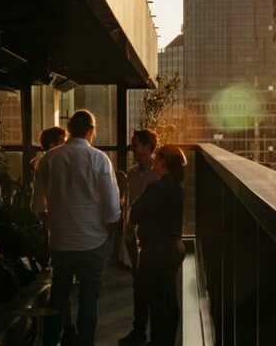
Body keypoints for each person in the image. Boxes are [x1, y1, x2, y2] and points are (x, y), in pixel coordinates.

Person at [32, 110, 120, 346]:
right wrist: (108, 235)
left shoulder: (48, 159)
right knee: (88, 298)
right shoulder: (99, 159)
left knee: (58, 296)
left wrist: (50, 224)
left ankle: (50, 342)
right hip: (93, 241)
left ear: (68, 129)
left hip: (60, 242)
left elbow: (37, 204)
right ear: (91, 131)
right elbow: (112, 209)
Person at [129, 145, 187, 346]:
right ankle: (167, 340)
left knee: (156, 301)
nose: (153, 160)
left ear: (163, 162)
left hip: (156, 251)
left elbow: (135, 212)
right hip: (172, 247)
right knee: (168, 299)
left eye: (157, 157)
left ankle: (157, 341)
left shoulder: (157, 188)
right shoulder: (176, 188)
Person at [117, 129, 159, 346]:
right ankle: (139, 329)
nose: (133, 148)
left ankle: (151, 332)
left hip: (151, 239)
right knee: (138, 284)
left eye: (136, 144)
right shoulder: (132, 173)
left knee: (150, 285)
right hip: (133, 236)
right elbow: (128, 205)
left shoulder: (159, 173)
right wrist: (126, 231)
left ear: (146, 146)